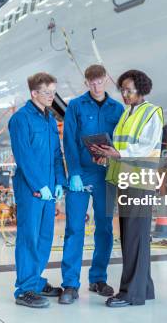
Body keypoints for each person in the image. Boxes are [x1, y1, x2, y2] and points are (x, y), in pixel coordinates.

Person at [91, 69, 163, 308]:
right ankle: (145, 288)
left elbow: (146, 147)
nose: (124, 94)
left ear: (141, 90)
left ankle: (131, 293)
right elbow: (120, 147)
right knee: (133, 237)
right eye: (122, 89)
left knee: (135, 238)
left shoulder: (151, 113)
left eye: (129, 90)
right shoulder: (127, 114)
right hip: (125, 180)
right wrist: (106, 156)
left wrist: (118, 153)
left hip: (139, 183)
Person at [59, 65, 124, 305]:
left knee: (105, 229)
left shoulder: (117, 109)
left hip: (106, 175)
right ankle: (70, 284)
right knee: (74, 228)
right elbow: (69, 141)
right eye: (92, 82)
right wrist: (73, 173)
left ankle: (98, 278)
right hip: (81, 174)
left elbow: (120, 142)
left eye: (100, 81)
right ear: (86, 83)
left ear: (106, 79)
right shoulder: (75, 106)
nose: (96, 86)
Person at [8, 72, 67, 308]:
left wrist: (60, 182)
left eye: (54, 92)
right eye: (47, 92)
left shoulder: (50, 120)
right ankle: (24, 289)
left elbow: (56, 154)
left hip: (49, 189)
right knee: (28, 237)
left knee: (44, 237)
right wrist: (38, 185)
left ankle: (35, 280)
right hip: (31, 189)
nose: (52, 96)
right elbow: (24, 156)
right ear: (34, 93)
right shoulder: (20, 119)